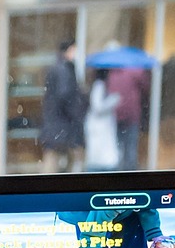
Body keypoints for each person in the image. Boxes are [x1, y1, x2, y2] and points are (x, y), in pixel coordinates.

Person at [40, 41, 87, 172]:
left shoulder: (57, 68)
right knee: (64, 161)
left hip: (56, 124)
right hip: (63, 124)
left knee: (54, 160)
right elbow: (65, 96)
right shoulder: (64, 69)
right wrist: (77, 113)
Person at [111, 62, 150, 170]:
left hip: (116, 115)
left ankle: (118, 174)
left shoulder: (111, 73)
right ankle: (130, 177)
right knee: (131, 148)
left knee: (118, 147)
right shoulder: (136, 71)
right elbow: (146, 87)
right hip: (132, 115)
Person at [84, 68, 122, 172]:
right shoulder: (99, 85)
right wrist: (113, 100)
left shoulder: (99, 85)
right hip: (99, 128)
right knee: (103, 158)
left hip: (100, 127)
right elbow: (97, 106)